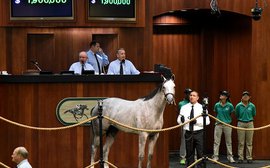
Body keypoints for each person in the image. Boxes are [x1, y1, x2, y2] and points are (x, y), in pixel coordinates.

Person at [178, 91, 210, 167]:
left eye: (194, 95)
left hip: (199, 132)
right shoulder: (184, 107)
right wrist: (184, 121)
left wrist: (197, 122)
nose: (192, 97)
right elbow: (179, 120)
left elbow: (207, 121)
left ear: (198, 98)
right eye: (191, 95)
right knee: (189, 153)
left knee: (200, 153)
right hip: (188, 132)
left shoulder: (202, 107)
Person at [212, 90, 235, 163]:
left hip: (227, 125)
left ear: (226, 97)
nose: (221, 95)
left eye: (222, 95)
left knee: (229, 142)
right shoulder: (217, 105)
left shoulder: (230, 105)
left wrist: (227, 121)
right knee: (216, 142)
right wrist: (219, 120)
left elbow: (232, 114)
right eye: (221, 94)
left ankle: (230, 157)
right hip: (218, 125)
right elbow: (215, 113)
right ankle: (215, 157)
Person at [235, 91, 256, 164]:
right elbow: (236, 114)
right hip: (241, 123)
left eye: (247, 96)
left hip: (250, 123)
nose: (245, 97)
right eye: (244, 96)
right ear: (242, 97)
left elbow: (254, 114)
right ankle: (240, 158)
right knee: (241, 142)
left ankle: (249, 158)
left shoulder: (252, 106)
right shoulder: (238, 105)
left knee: (249, 142)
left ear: (249, 97)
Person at [177, 88, 192, 165]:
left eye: (190, 93)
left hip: (193, 125)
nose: (189, 95)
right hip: (184, 124)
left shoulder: (193, 102)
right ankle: (183, 157)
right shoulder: (181, 103)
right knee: (183, 141)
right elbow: (178, 114)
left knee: (194, 141)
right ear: (185, 94)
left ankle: (194, 157)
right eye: (188, 94)